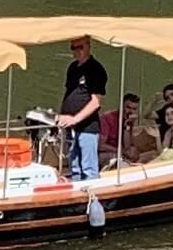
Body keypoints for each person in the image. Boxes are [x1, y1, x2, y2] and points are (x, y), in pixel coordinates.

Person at [58, 35, 108, 181]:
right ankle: (78, 200)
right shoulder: (72, 68)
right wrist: (61, 116)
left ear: (88, 46)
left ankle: (93, 202)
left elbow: (96, 102)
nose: (77, 51)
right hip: (70, 127)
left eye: (80, 47)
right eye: (73, 48)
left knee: (88, 168)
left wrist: (75, 119)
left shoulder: (96, 69)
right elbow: (69, 94)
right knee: (74, 167)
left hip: (87, 128)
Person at [99, 93, 141, 165]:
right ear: (121, 106)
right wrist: (119, 151)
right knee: (120, 158)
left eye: (134, 109)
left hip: (120, 152)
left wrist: (127, 127)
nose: (131, 111)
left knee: (135, 154)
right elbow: (100, 145)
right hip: (103, 153)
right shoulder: (107, 118)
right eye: (128, 107)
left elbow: (128, 147)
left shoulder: (129, 121)